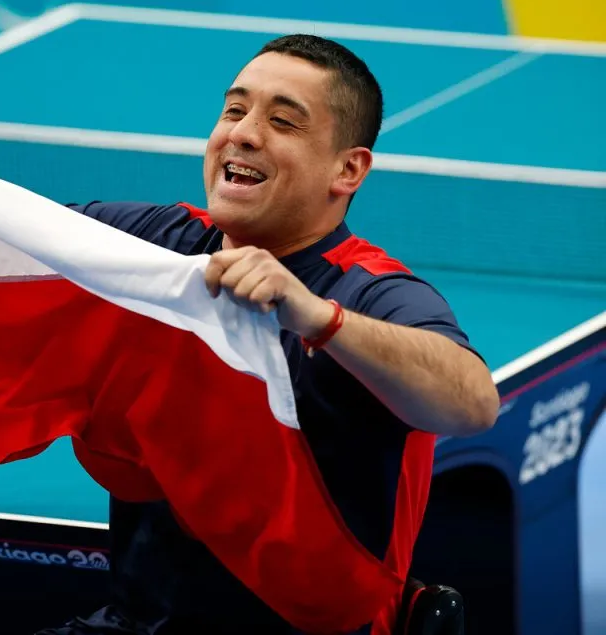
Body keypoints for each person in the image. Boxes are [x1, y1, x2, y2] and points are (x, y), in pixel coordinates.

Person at [35, 34, 500, 634]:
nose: (244, 133)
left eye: (283, 121)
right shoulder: (157, 243)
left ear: (348, 169)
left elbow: (474, 402)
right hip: (137, 623)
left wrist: (316, 318)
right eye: (234, 110)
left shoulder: (371, 293)